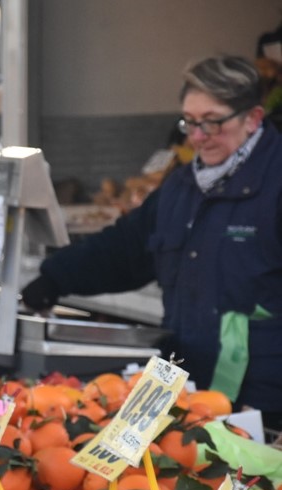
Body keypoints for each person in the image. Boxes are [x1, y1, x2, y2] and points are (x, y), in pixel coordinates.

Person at [20, 55, 282, 429]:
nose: (197, 136)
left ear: (253, 118)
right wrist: (55, 277)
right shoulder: (182, 186)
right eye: (189, 122)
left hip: (263, 405)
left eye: (212, 122)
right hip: (186, 395)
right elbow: (125, 250)